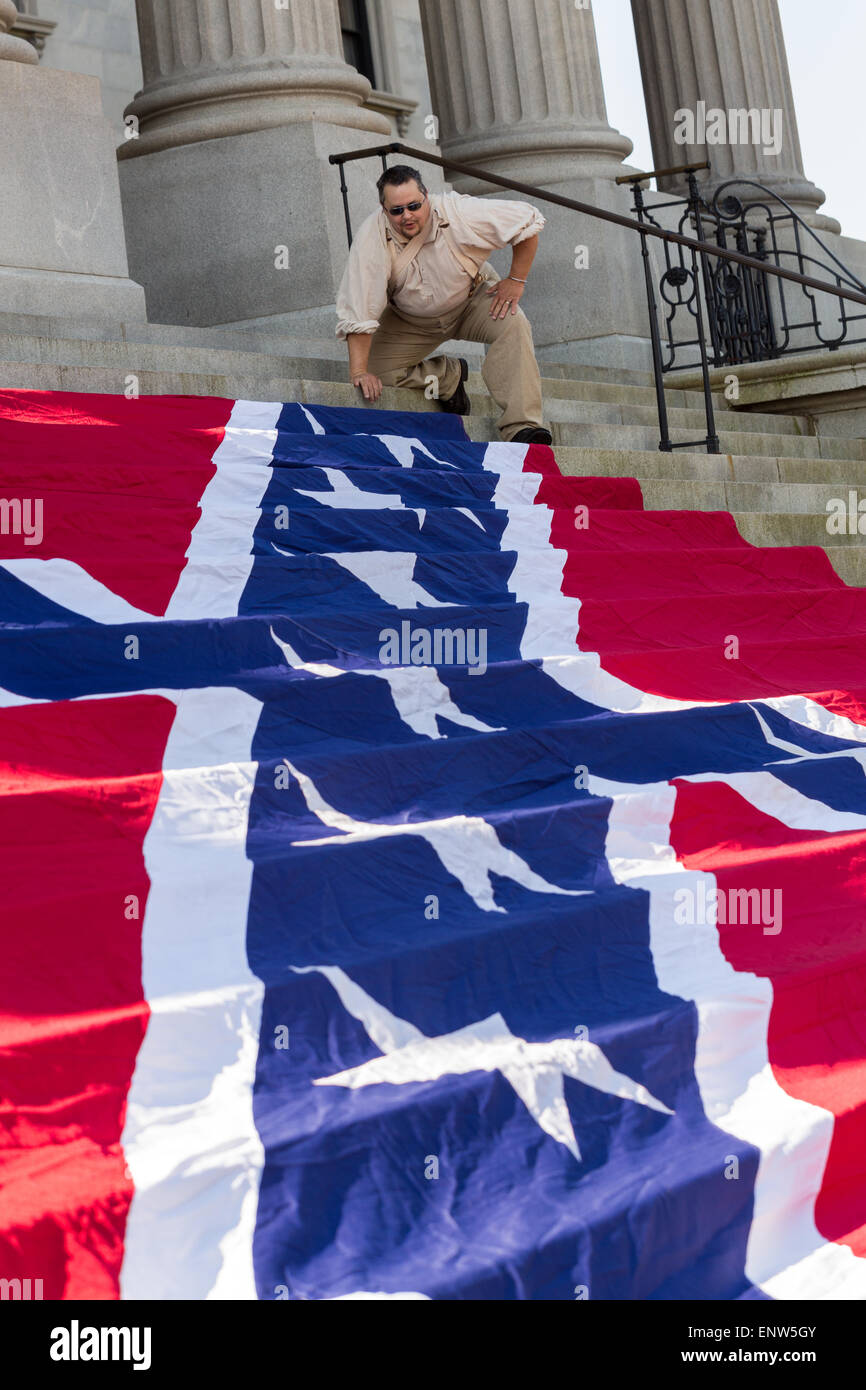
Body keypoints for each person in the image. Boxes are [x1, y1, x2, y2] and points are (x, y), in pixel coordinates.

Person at [335, 165, 553, 445]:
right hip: (410, 320)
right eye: (397, 210)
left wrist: (516, 279)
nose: (407, 215)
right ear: (384, 208)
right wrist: (358, 371)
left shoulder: (459, 211)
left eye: (414, 205)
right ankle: (447, 377)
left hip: (471, 301)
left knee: (514, 323)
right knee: (374, 375)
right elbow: (360, 305)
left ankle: (522, 427)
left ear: (426, 195)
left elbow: (526, 222)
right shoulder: (371, 237)